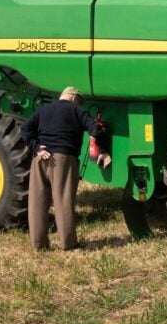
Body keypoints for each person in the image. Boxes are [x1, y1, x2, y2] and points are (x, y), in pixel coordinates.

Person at [22, 86, 111, 251]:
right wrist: (104, 151)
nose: (78, 105)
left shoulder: (43, 110)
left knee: (37, 202)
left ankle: (39, 245)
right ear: (72, 98)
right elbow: (96, 128)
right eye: (78, 102)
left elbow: (25, 128)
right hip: (63, 160)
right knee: (63, 200)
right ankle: (69, 244)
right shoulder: (76, 111)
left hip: (40, 159)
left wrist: (36, 147)